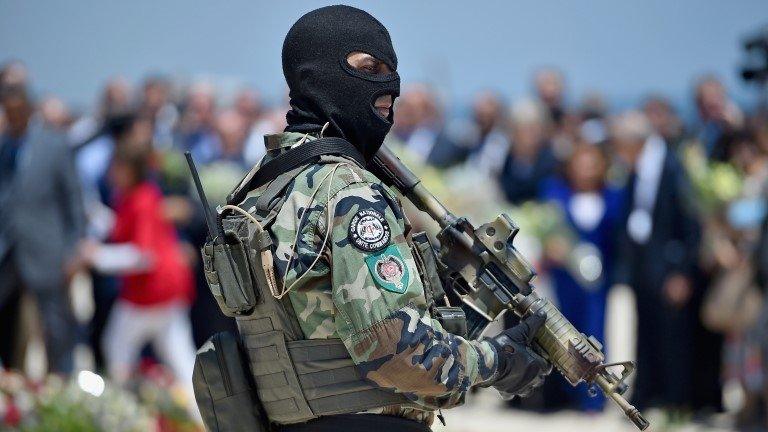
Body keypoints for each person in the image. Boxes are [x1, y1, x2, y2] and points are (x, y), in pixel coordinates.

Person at [216, 6, 551, 431]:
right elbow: (398, 352)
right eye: (368, 68)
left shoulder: (261, 187)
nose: (389, 85)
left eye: (392, 70)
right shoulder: (350, 193)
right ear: (314, 78)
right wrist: (500, 360)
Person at [84, 143, 197, 399]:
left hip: (151, 291)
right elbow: (121, 227)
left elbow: (143, 256)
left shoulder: (142, 199)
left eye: (116, 167)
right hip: (166, 290)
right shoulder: (132, 196)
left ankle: (121, 413)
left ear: (129, 169)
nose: (111, 173)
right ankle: (199, 416)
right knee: (180, 359)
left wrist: (98, 257)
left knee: (117, 350)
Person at [612, 111, 701, 415]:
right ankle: (648, 395)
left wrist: (683, 273)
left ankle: (677, 402)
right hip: (643, 267)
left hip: (670, 267)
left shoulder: (673, 166)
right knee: (645, 334)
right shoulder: (637, 167)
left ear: (633, 142)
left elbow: (690, 223)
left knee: (673, 337)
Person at [0, 83, 85, 373]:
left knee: (56, 328)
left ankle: (60, 390)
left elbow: (73, 200)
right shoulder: (3, 147)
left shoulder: (54, 145)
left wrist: (74, 247)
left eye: (16, 111)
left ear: (28, 110)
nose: (12, 118)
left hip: (48, 251)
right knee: (8, 327)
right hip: (7, 251)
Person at [540, 144, 626, 411]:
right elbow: (544, 227)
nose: (586, 169)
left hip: (598, 283)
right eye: (581, 163)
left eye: (592, 163)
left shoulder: (613, 196)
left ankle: (594, 398)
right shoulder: (555, 193)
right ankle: (565, 393)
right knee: (563, 335)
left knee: (596, 332)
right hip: (565, 280)